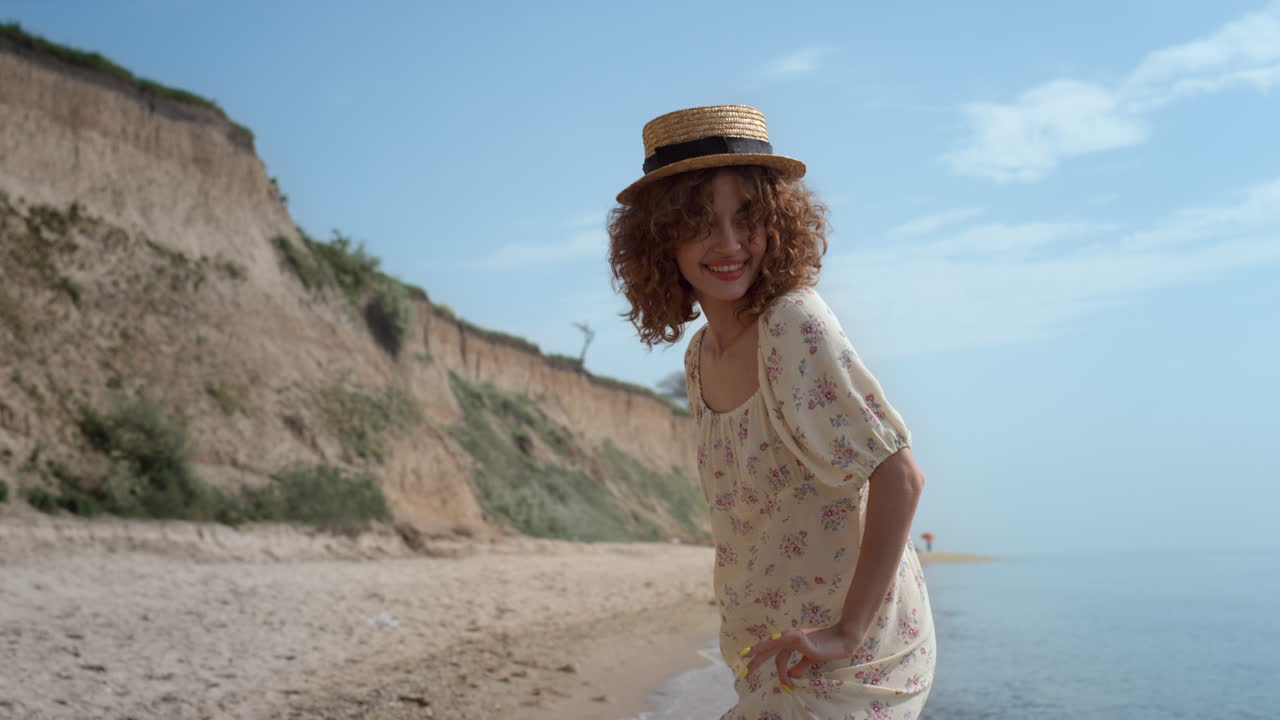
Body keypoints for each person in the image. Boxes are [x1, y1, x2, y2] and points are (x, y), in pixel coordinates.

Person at [607, 105, 935, 719]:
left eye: (746, 219)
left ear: (776, 223)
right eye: (700, 223)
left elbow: (901, 475)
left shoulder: (792, 324)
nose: (728, 244)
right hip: (769, 647)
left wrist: (847, 632)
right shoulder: (701, 354)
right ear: (660, 238)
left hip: (848, 656)